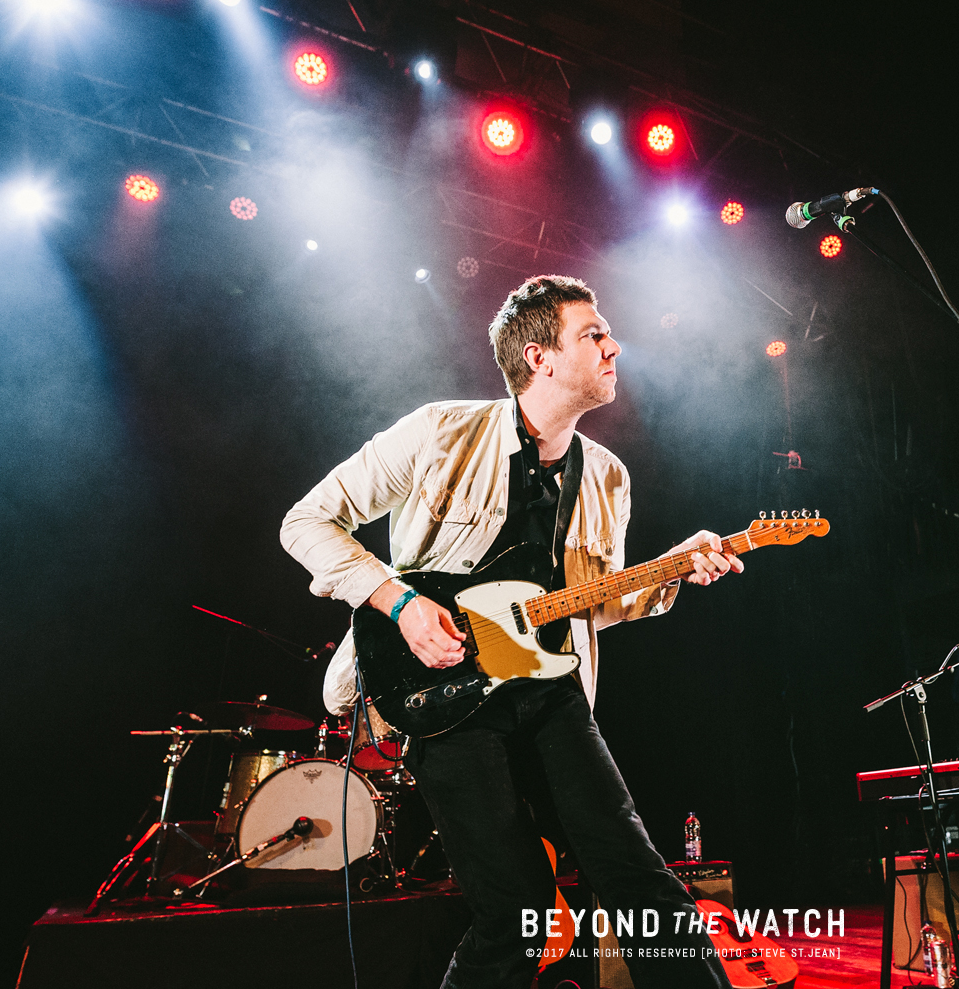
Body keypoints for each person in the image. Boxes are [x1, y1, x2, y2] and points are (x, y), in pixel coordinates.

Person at [280, 275, 741, 988]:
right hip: (444, 698)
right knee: (518, 913)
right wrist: (399, 603)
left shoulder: (608, 477)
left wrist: (676, 570)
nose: (615, 346)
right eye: (594, 334)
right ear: (540, 358)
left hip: (552, 693)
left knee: (643, 884)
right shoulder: (439, 431)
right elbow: (305, 521)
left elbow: (594, 604)